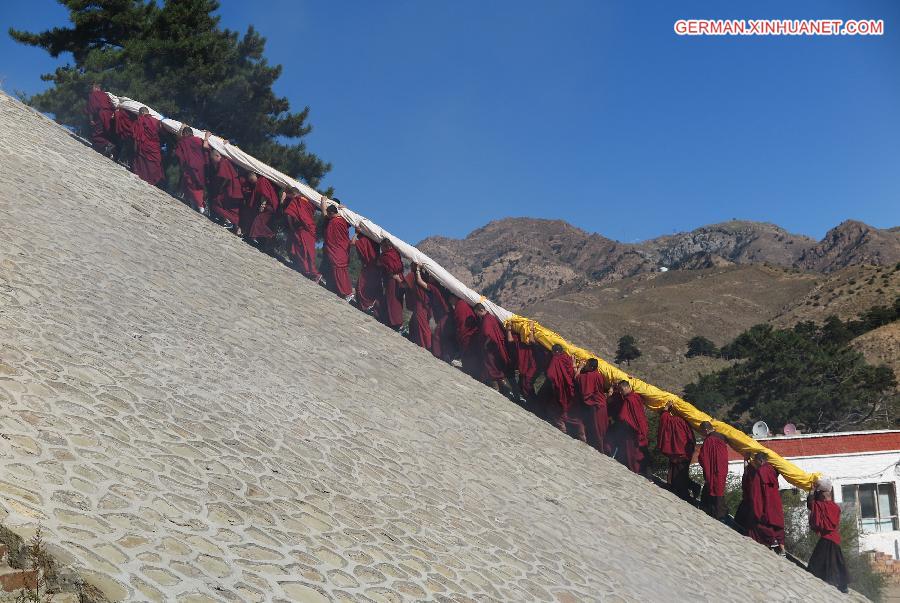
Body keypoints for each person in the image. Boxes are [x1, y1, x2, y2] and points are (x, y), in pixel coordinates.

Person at [806, 479, 849, 593]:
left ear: (823, 496)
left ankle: (813, 582)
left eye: (819, 495)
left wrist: (812, 491)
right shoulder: (836, 507)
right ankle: (843, 586)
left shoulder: (822, 506)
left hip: (826, 538)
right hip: (834, 538)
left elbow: (810, 504)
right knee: (837, 562)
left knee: (816, 562)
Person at [746, 452, 786, 554]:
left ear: (760, 460)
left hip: (765, 504)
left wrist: (757, 509)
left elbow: (756, 492)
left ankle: (771, 542)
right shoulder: (772, 471)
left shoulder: (760, 472)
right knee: (778, 527)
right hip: (775, 504)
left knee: (761, 525)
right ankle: (783, 550)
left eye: (755, 461)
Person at [606, 381, 649, 474]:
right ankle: (643, 471)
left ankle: (637, 471)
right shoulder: (636, 396)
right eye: (620, 390)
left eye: (622, 390)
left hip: (633, 430)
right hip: (641, 427)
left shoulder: (629, 400)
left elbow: (623, 416)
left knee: (634, 453)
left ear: (627, 387)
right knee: (640, 452)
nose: (621, 392)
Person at [657, 403, 696, 501]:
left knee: (678, 473)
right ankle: (681, 488)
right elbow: (691, 437)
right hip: (685, 451)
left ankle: (683, 492)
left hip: (677, 451)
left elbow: (664, 419)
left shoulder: (673, 420)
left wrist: (665, 410)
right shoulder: (684, 422)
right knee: (681, 472)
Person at [473, 304, 515, 395]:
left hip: (491, 349)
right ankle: (506, 391)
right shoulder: (491, 317)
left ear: (479, 310)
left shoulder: (486, 320)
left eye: (477, 313)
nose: (477, 315)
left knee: (493, 368)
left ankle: (501, 389)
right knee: (497, 368)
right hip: (497, 348)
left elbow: (488, 334)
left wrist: (485, 344)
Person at [282, 188, 322, 282]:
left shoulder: (296, 201)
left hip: (302, 229)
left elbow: (289, 214)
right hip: (311, 227)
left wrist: (291, 227)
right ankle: (308, 271)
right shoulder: (308, 201)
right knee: (308, 251)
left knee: (303, 250)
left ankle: (313, 273)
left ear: (292, 194)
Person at [204, 136, 243, 231]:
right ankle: (230, 223)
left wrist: (220, 188)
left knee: (217, 203)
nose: (212, 161)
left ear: (217, 156)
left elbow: (226, 177)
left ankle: (229, 222)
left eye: (213, 158)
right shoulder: (223, 160)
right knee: (227, 208)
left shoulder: (223, 162)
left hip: (231, 189)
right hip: (231, 189)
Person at [319, 198, 353, 301]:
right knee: (336, 269)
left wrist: (323, 202)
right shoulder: (342, 220)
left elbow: (325, 214)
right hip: (341, 249)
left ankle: (347, 292)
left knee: (339, 270)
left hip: (337, 249)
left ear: (331, 213)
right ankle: (337, 289)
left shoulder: (334, 221)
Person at [538, 345, 577, 433]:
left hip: (558, 386)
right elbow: (571, 372)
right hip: (567, 386)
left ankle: (561, 427)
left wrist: (553, 383)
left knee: (554, 406)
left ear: (555, 352)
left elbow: (550, 374)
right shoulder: (567, 357)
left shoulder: (556, 358)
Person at [573, 358, 608, 451]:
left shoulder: (590, 376)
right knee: (598, 428)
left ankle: (600, 449)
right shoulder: (598, 375)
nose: (585, 366)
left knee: (597, 428)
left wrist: (579, 368)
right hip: (602, 403)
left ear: (591, 367)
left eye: (587, 364)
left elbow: (577, 378)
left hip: (596, 405)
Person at [173, 126, 207, 214]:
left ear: (185, 133)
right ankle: (193, 202)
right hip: (201, 167)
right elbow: (206, 147)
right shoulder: (198, 140)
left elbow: (178, 153)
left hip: (190, 166)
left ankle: (200, 206)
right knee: (195, 185)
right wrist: (206, 136)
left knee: (192, 185)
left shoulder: (183, 141)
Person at [697, 421, 728, 518]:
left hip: (713, 470)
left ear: (706, 430)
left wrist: (705, 466)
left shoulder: (709, 440)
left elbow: (703, 457)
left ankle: (718, 513)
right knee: (718, 489)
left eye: (702, 432)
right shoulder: (721, 438)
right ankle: (718, 512)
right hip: (722, 469)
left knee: (713, 488)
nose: (702, 434)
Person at [245, 173, 280, 249]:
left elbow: (264, 194)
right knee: (259, 221)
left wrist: (263, 205)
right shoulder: (259, 182)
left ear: (255, 176)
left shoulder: (262, 181)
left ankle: (270, 235)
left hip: (268, 206)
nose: (251, 181)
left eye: (251, 179)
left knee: (258, 221)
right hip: (268, 206)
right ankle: (256, 238)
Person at [132, 107, 163, 186]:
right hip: (154, 147)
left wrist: (135, 146)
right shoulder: (157, 122)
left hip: (144, 145)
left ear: (141, 113)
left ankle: (142, 177)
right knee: (155, 164)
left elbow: (136, 135)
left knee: (142, 162)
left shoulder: (140, 120)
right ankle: (154, 180)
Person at [450, 294, 480, 376]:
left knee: (469, 355)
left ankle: (470, 371)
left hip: (468, 335)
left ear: (454, 297)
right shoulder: (461, 304)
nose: (450, 301)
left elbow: (462, 323)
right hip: (471, 334)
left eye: (451, 298)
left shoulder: (461, 305)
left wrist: (460, 335)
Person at [378, 238, 405, 330]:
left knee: (392, 301)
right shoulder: (395, 253)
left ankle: (394, 322)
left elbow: (382, 265)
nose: (381, 249)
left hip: (392, 280)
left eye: (382, 247)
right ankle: (397, 322)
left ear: (386, 246)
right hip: (400, 278)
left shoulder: (385, 256)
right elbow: (400, 265)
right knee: (397, 301)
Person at [406, 263, 434, 349]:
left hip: (422, 305)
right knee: (414, 323)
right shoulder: (424, 276)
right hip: (423, 305)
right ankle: (415, 339)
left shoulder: (428, 283)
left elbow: (419, 282)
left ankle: (427, 344)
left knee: (423, 325)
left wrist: (417, 269)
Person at [354, 233, 383, 313]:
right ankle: (374, 308)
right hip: (376, 269)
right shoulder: (375, 242)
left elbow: (353, 242)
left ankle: (365, 306)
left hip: (368, 268)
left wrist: (356, 233)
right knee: (375, 289)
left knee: (361, 287)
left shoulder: (364, 241)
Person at [85, 83, 115, 154]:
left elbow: (91, 109)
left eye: (92, 88)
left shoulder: (93, 95)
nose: (91, 90)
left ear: (96, 88)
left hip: (101, 115)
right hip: (110, 116)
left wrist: (91, 119)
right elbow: (111, 105)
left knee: (96, 135)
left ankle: (108, 144)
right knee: (104, 133)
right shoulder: (105, 95)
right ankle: (104, 150)